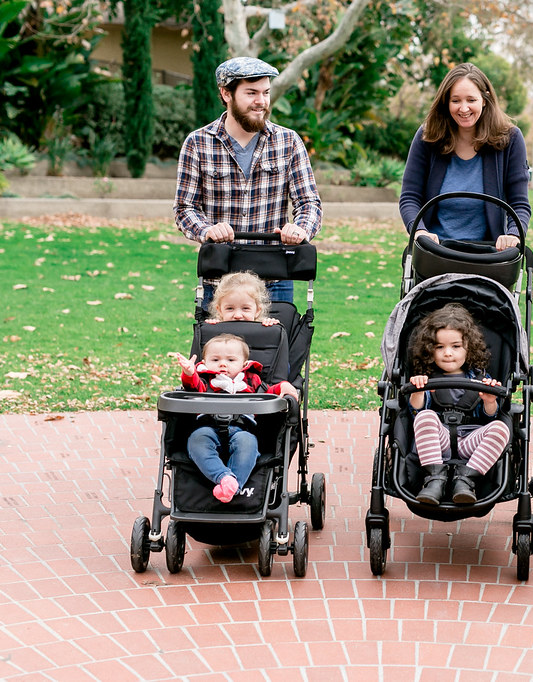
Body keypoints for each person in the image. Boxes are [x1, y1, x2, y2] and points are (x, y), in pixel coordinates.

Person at [174, 56, 323, 307]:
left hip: (275, 280)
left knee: (277, 345)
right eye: (251, 93)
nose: (261, 102)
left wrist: (301, 229)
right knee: (220, 347)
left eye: (265, 92)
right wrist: (207, 230)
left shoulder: (288, 142)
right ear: (226, 93)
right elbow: (184, 208)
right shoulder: (197, 143)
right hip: (219, 283)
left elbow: (309, 203)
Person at [400, 63, 530, 252]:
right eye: (455, 101)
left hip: (488, 254)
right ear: (446, 102)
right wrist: (419, 231)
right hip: (435, 251)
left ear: (484, 99)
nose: (464, 108)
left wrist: (513, 234)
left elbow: (519, 203)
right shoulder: (428, 137)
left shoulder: (510, 139)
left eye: (471, 100)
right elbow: (410, 196)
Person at [170, 333, 298, 503]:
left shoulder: (252, 381)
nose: (222, 364)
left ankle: (232, 485)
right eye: (215, 360)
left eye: (231, 360)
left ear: (244, 364)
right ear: (205, 363)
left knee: (249, 444)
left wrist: (285, 386)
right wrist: (189, 372)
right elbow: (192, 384)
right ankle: (225, 478)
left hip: (242, 429)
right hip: (207, 427)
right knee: (196, 441)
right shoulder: (205, 381)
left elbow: (270, 391)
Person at [406, 303, 511, 505]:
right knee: (425, 416)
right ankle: (434, 480)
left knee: (500, 428)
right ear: (429, 350)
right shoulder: (427, 379)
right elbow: (416, 412)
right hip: (438, 443)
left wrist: (490, 400)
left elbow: (490, 416)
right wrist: (418, 391)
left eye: (455, 346)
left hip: (471, 442)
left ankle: (465, 480)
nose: (448, 353)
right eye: (439, 347)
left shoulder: (480, 378)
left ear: (468, 347)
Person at [205, 271, 280, 327]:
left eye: (245, 308)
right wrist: (210, 328)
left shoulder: (263, 328)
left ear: (257, 310)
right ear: (219, 310)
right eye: (230, 308)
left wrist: (272, 326)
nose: (238, 315)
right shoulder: (217, 329)